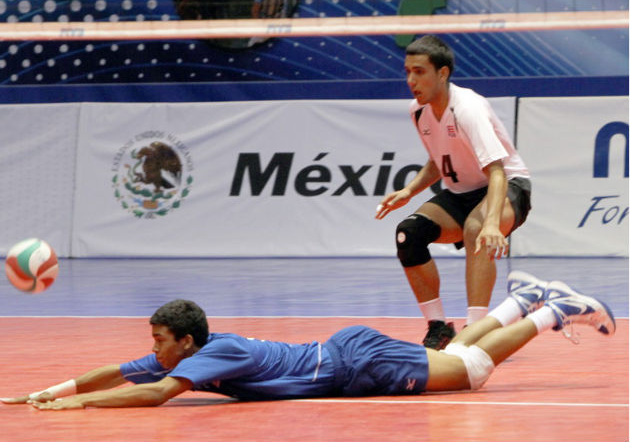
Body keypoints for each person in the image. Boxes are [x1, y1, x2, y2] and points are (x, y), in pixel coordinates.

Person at [1, 271, 614, 410]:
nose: (153, 349)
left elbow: (156, 393)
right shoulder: (191, 349)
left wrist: (78, 408)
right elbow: (121, 371)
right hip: (348, 353)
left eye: (159, 340)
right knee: (454, 355)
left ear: (186, 343)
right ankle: (520, 300)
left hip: (355, 366)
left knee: (472, 371)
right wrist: (48, 391)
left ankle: (555, 311)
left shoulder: (210, 355)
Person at [375, 35, 532, 349]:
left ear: (442, 73)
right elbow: (438, 160)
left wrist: (491, 224)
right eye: (407, 72)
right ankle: (438, 327)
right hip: (463, 193)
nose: (411, 80)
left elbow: (497, 171)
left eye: (419, 72)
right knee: (409, 234)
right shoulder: (418, 111)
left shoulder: (468, 109)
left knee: (476, 228)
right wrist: (410, 190)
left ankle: (476, 331)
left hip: (508, 185)